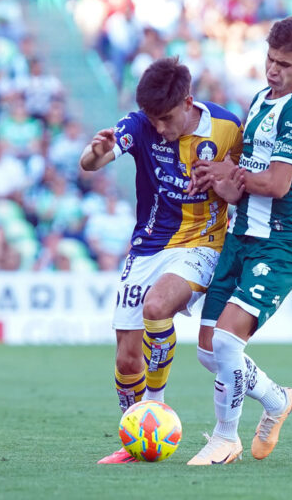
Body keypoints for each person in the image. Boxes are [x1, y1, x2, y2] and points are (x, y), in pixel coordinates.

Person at [78, 57, 244, 464]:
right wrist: (96, 153)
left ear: (188, 102)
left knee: (156, 306)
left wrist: (224, 182)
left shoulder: (227, 128)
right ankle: (134, 440)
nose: (160, 128)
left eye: (167, 119)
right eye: (153, 119)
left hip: (203, 242)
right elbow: (91, 162)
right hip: (148, 245)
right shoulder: (140, 125)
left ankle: (155, 409)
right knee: (126, 357)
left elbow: (242, 189)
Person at [185, 16, 292, 465]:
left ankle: (226, 439)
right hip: (240, 235)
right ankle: (277, 400)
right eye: (270, 59)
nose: (273, 70)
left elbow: (278, 184)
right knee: (210, 352)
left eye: (285, 64)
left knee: (228, 343)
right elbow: (244, 180)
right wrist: (219, 180)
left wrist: (232, 172)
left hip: (280, 241)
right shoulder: (263, 98)